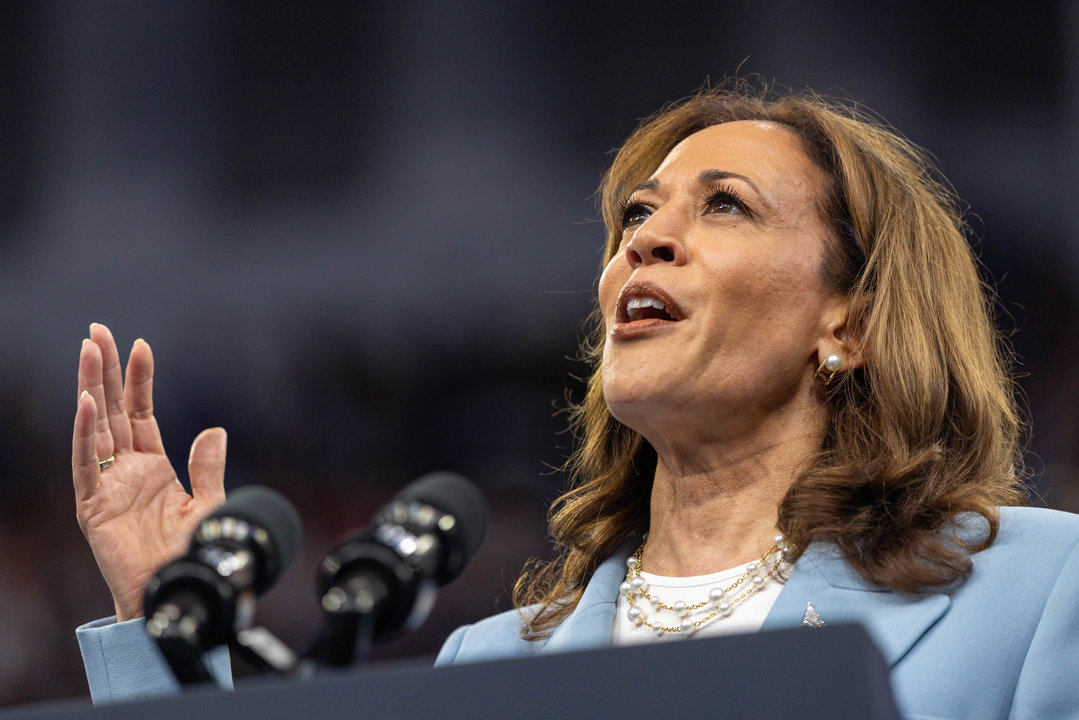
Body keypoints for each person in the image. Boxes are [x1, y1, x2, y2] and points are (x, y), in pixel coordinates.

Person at [73, 81, 1079, 718]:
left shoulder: (1035, 591)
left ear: (846, 325)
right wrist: (170, 629)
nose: (642, 238)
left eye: (723, 206)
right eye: (635, 215)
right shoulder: (492, 660)